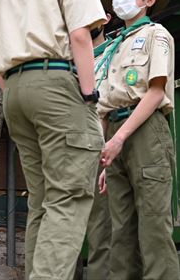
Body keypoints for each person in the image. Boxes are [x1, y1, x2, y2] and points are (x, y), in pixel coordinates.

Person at [0, 0, 106, 280]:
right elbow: (81, 36)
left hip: (15, 94)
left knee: (42, 201)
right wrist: (88, 95)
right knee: (70, 195)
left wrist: (21, 92)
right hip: (56, 84)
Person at [95, 0, 180, 279]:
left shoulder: (156, 35)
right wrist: (107, 155)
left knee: (154, 227)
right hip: (114, 134)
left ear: (148, 0)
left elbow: (156, 92)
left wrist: (120, 139)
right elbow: (104, 104)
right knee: (121, 232)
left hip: (145, 129)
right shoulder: (113, 45)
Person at [83, 14, 113, 280]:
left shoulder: (116, 51)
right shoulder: (65, 59)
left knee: (101, 233)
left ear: (104, 20)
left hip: (101, 150)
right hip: (67, 149)